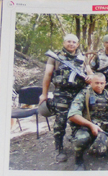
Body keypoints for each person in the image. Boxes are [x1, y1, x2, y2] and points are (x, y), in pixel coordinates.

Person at [38, 34, 92, 162]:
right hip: (61, 94)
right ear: (64, 43)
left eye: (74, 42)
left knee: (78, 119)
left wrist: (90, 77)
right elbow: (48, 75)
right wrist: (44, 94)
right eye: (69, 41)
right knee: (60, 121)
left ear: (77, 44)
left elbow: (90, 73)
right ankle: (59, 148)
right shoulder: (55, 57)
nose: (71, 44)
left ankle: (77, 142)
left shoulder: (82, 57)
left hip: (79, 94)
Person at [68, 73, 108, 171]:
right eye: (96, 83)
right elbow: (72, 115)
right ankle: (78, 160)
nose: (99, 85)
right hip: (87, 127)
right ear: (91, 83)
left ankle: (104, 147)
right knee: (81, 139)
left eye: (102, 83)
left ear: (105, 83)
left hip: (105, 127)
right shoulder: (84, 94)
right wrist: (91, 125)